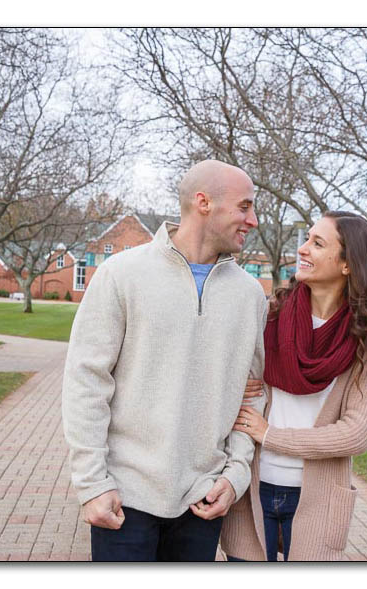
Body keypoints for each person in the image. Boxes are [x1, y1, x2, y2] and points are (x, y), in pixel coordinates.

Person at [61, 160, 267, 561]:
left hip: (203, 499)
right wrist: (92, 484)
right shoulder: (122, 274)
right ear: (203, 202)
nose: (253, 220)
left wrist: (236, 475)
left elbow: (251, 394)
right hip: (124, 496)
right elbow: (86, 382)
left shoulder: (250, 295)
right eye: (244, 207)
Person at [220, 211, 367, 561]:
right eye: (306, 239)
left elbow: (356, 434)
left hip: (319, 499)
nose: (302, 249)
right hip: (252, 487)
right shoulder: (269, 316)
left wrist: (271, 434)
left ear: (348, 264)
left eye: (317, 243)